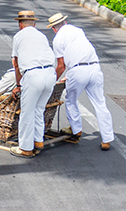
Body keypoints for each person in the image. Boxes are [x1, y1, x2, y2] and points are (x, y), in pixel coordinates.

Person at [47, 12, 114, 150]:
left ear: (53, 28)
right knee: (100, 104)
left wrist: (51, 81)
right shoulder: (78, 30)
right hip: (94, 67)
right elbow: (78, 51)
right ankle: (107, 139)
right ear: (65, 22)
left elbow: (61, 65)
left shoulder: (57, 39)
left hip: (77, 71)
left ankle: (76, 130)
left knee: (71, 100)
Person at [10, 10, 56, 158]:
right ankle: (38, 140)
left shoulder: (18, 36)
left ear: (20, 24)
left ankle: (26, 148)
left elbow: (15, 63)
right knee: (39, 108)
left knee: (27, 112)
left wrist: (18, 84)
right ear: (34, 24)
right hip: (50, 73)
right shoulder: (41, 35)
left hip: (33, 74)